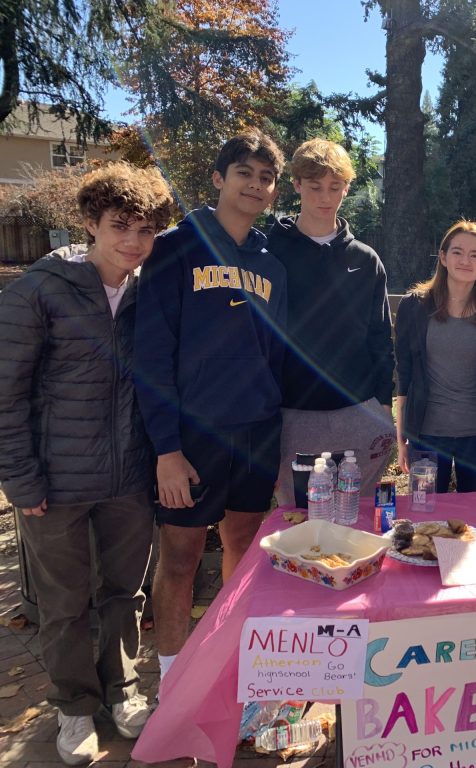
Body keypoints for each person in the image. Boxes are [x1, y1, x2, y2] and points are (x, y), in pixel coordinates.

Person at [0, 163, 175, 764]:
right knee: (64, 603)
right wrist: (21, 480)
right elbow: (6, 393)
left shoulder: (149, 292)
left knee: (122, 594)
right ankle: (74, 706)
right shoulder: (38, 291)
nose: (133, 240)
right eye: (120, 225)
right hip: (55, 482)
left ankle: (121, 691)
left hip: (128, 479)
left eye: (146, 229)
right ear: (91, 223)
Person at [133, 132, 287, 696]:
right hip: (192, 438)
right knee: (180, 560)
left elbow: (277, 351)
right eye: (245, 172)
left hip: (256, 433)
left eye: (267, 178)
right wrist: (166, 450)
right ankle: (174, 687)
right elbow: (150, 355)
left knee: (244, 552)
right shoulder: (176, 247)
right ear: (219, 178)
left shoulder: (272, 262)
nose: (256, 185)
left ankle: (229, 667)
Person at [268, 139, 395, 503]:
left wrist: (383, 404)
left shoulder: (366, 259)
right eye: (315, 186)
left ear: (346, 188)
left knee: (355, 517)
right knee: (297, 522)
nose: (326, 197)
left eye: (335, 187)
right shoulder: (270, 251)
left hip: (356, 410)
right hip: (291, 413)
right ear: (295, 185)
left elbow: (379, 336)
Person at [394, 220, 476, 493]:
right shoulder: (414, 306)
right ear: (443, 257)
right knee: (424, 511)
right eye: (457, 252)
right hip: (426, 434)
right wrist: (402, 439)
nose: (465, 260)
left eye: (475, 254)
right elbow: (404, 377)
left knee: (474, 518)